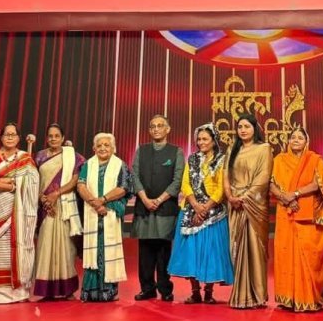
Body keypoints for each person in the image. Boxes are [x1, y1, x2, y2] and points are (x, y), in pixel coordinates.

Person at [167, 123, 234, 304]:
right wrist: (196, 205)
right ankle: (195, 291)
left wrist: (206, 207)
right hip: (191, 210)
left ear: (214, 140)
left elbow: (221, 187)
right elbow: (185, 183)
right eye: (199, 139)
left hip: (214, 212)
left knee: (211, 253)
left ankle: (209, 292)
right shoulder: (192, 159)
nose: (201, 142)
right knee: (191, 252)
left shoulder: (222, 160)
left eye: (205, 139)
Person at [269, 126, 323, 312]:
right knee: (286, 253)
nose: (296, 140)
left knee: (308, 254)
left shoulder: (314, 159)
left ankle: (309, 298)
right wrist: (285, 198)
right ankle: (288, 298)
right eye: (293, 137)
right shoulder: (279, 160)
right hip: (285, 212)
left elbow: (319, 183)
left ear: (306, 142)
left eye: (300, 138)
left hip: (307, 214)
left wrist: (295, 194)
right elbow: (271, 184)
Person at [0, 122, 40, 304]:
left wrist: (13, 181)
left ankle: (19, 292)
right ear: (1, 137)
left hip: (21, 210)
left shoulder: (25, 158)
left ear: (18, 138)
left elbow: (33, 183)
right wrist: (10, 186)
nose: (9, 137)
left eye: (13, 134)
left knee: (19, 243)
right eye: (6, 134)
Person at [132, 115, 185, 302]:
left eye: (160, 126)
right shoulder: (142, 150)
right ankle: (147, 289)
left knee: (163, 251)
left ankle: (165, 289)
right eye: (152, 126)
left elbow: (177, 181)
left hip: (166, 208)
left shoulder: (176, 152)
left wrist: (160, 199)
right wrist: (145, 199)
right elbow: (134, 176)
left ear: (167, 129)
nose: (156, 129)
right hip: (144, 207)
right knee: (145, 251)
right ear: (149, 130)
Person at [76, 133, 133, 302]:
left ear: (113, 148)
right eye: (99, 145)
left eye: (106, 145)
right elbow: (81, 185)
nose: (102, 148)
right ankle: (90, 291)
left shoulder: (120, 165)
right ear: (94, 148)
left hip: (110, 212)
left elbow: (123, 188)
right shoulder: (87, 165)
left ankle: (109, 291)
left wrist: (103, 200)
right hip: (92, 212)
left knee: (108, 251)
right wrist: (95, 203)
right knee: (93, 251)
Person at [223, 114, 272, 309]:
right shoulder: (232, 149)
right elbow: (225, 176)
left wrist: (245, 197)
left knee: (254, 249)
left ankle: (257, 296)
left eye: (247, 126)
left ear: (255, 128)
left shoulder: (264, 148)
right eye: (240, 127)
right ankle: (241, 295)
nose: (243, 130)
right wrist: (230, 197)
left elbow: (263, 178)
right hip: (234, 204)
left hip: (254, 206)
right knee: (236, 250)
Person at [33, 123, 84, 300]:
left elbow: (76, 180)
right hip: (46, 207)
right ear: (47, 138)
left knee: (65, 246)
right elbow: (34, 180)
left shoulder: (72, 156)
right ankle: (46, 290)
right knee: (45, 246)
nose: (53, 139)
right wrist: (43, 198)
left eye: (57, 136)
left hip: (64, 205)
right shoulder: (39, 156)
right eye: (50, 136)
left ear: (63, 138)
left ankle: (67, 290)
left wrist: (56, 194)